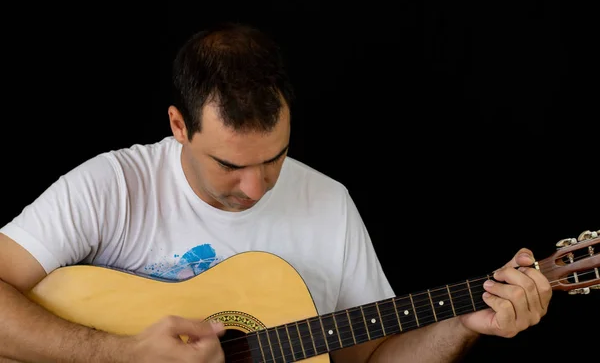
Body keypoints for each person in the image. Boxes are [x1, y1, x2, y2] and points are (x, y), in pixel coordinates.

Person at [0, 22, 552, 363]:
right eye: (229, 165)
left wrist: (465, 324)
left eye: (275, 158)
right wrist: (125, 355)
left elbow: (373, 357)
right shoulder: (114, 186)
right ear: (177, 125)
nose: (257, 187)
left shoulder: (328, 204)